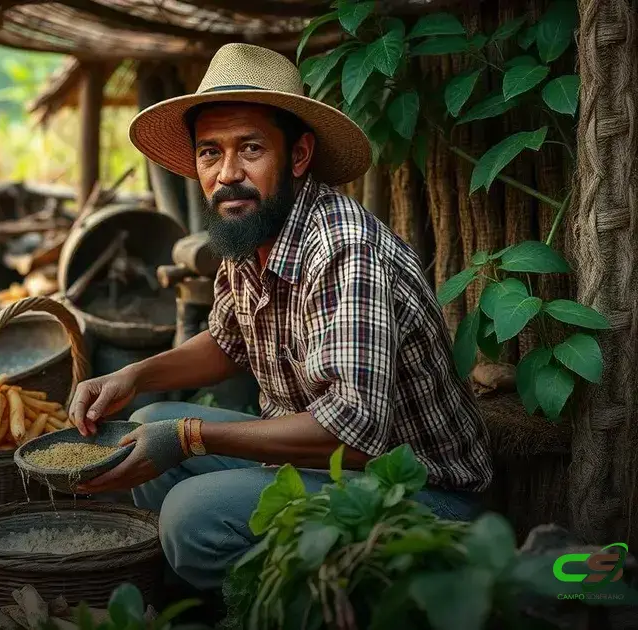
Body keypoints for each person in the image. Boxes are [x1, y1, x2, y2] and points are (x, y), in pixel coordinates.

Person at [65, 43, 493, 592]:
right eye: (209, 153)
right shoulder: (252, 233)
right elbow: (226, 343)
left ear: (297, 156)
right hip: (320, 468)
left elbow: (354, 435)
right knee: (143, 429)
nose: (227, 174)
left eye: (250, 148)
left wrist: (193, 435)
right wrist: (133, 376)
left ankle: (286, 604)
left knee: (191, 516)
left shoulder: (344, 250)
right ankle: (222, 600)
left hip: (420, 497)